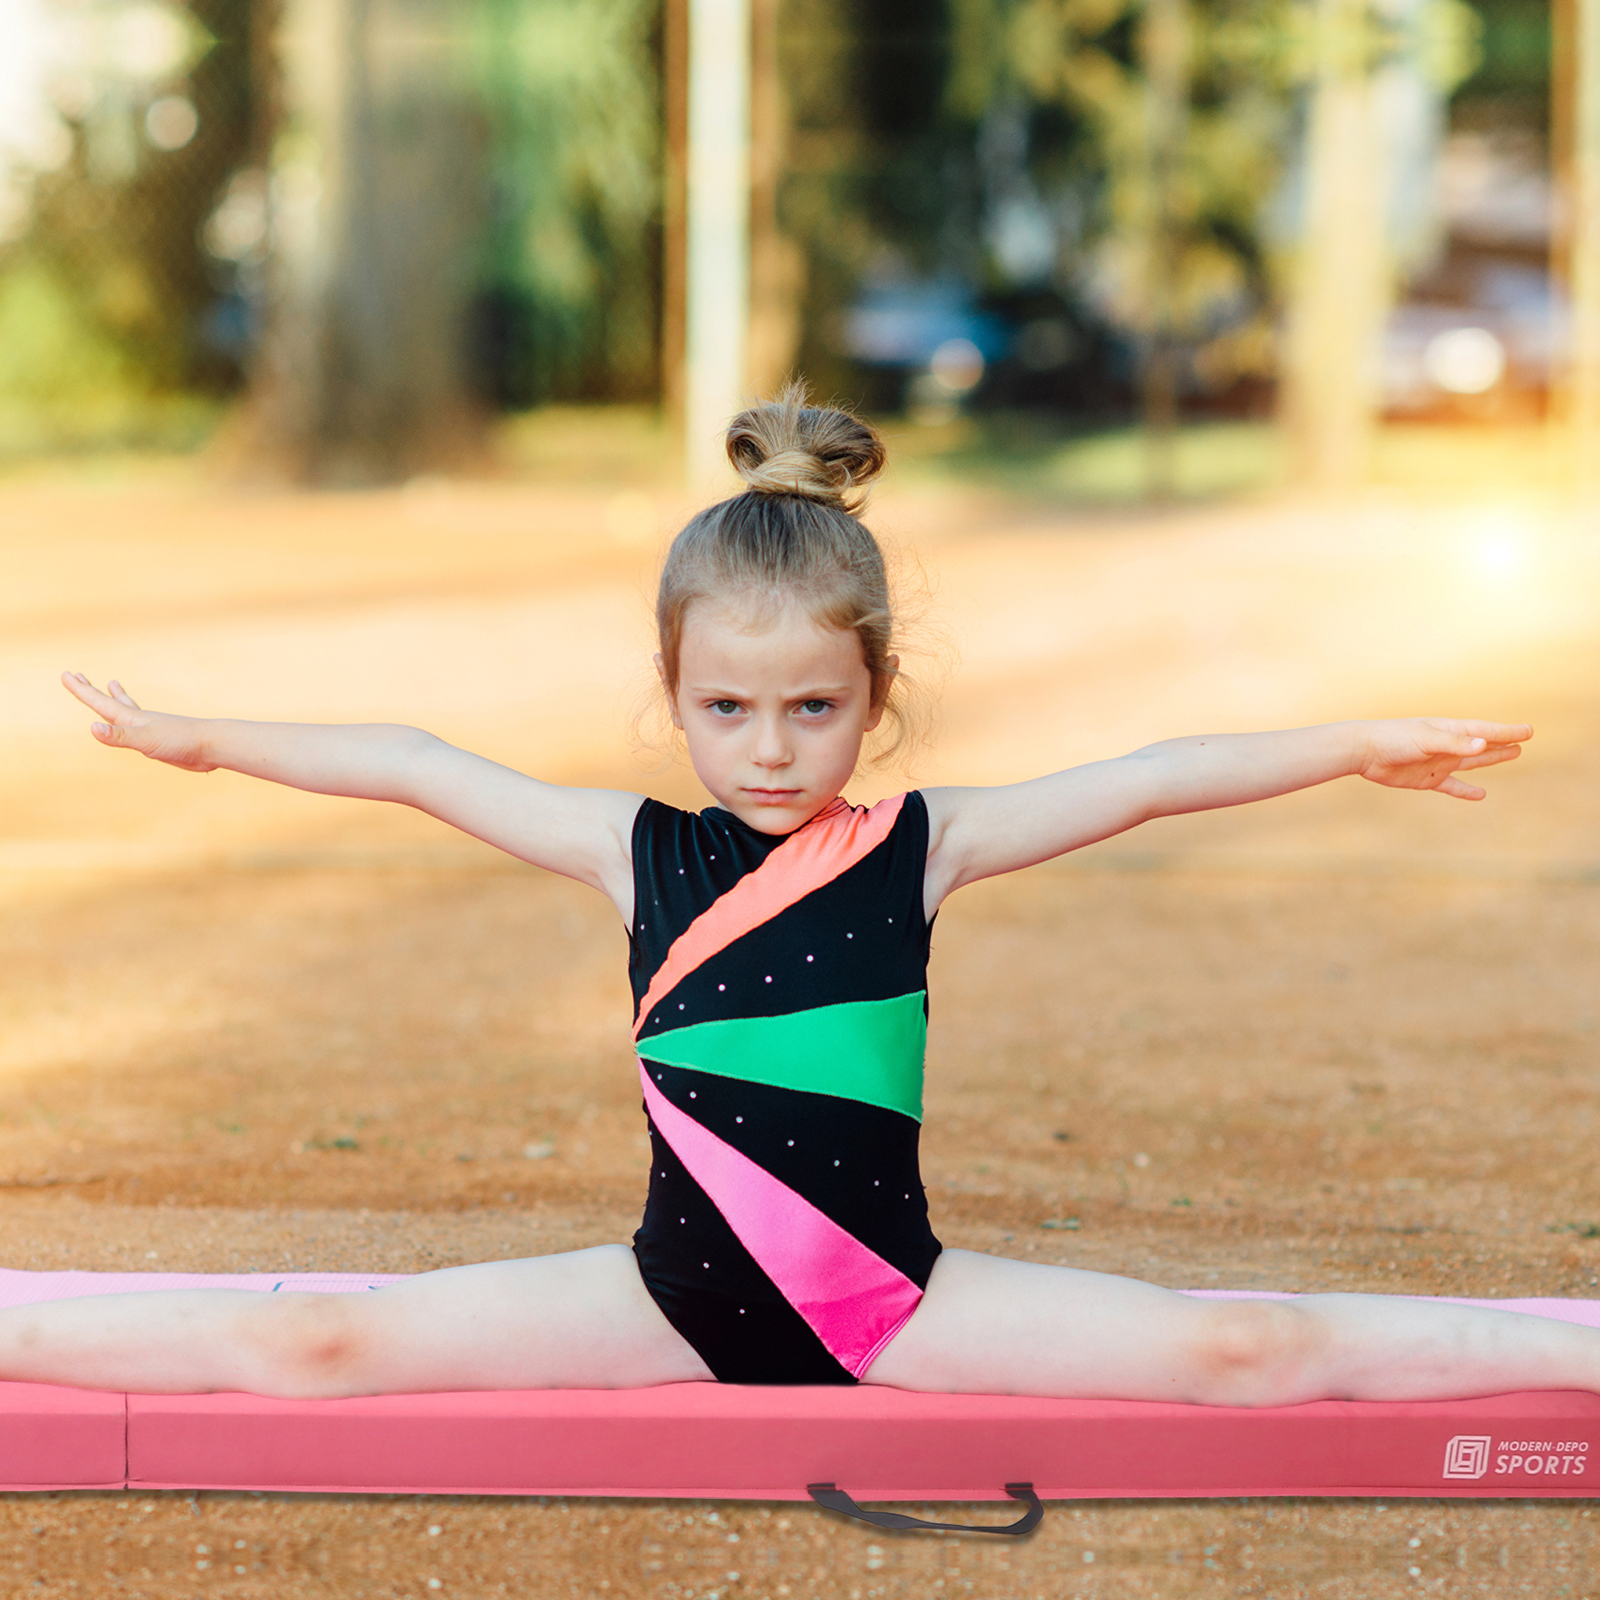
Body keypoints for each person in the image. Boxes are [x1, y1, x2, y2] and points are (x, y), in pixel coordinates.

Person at [31, 388, 1592, 1409]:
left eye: (811, 709)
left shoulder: (925, 840)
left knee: (1252, 1347)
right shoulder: (629, 849)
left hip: (896, 1307)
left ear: (873, 698)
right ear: (675, 694)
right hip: (666, 1302)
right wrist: (202, 741)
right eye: (725, 709)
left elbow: (1154, 774)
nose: (769, 750)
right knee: (312, 1342)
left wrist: (1355, 745)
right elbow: (410, 760)